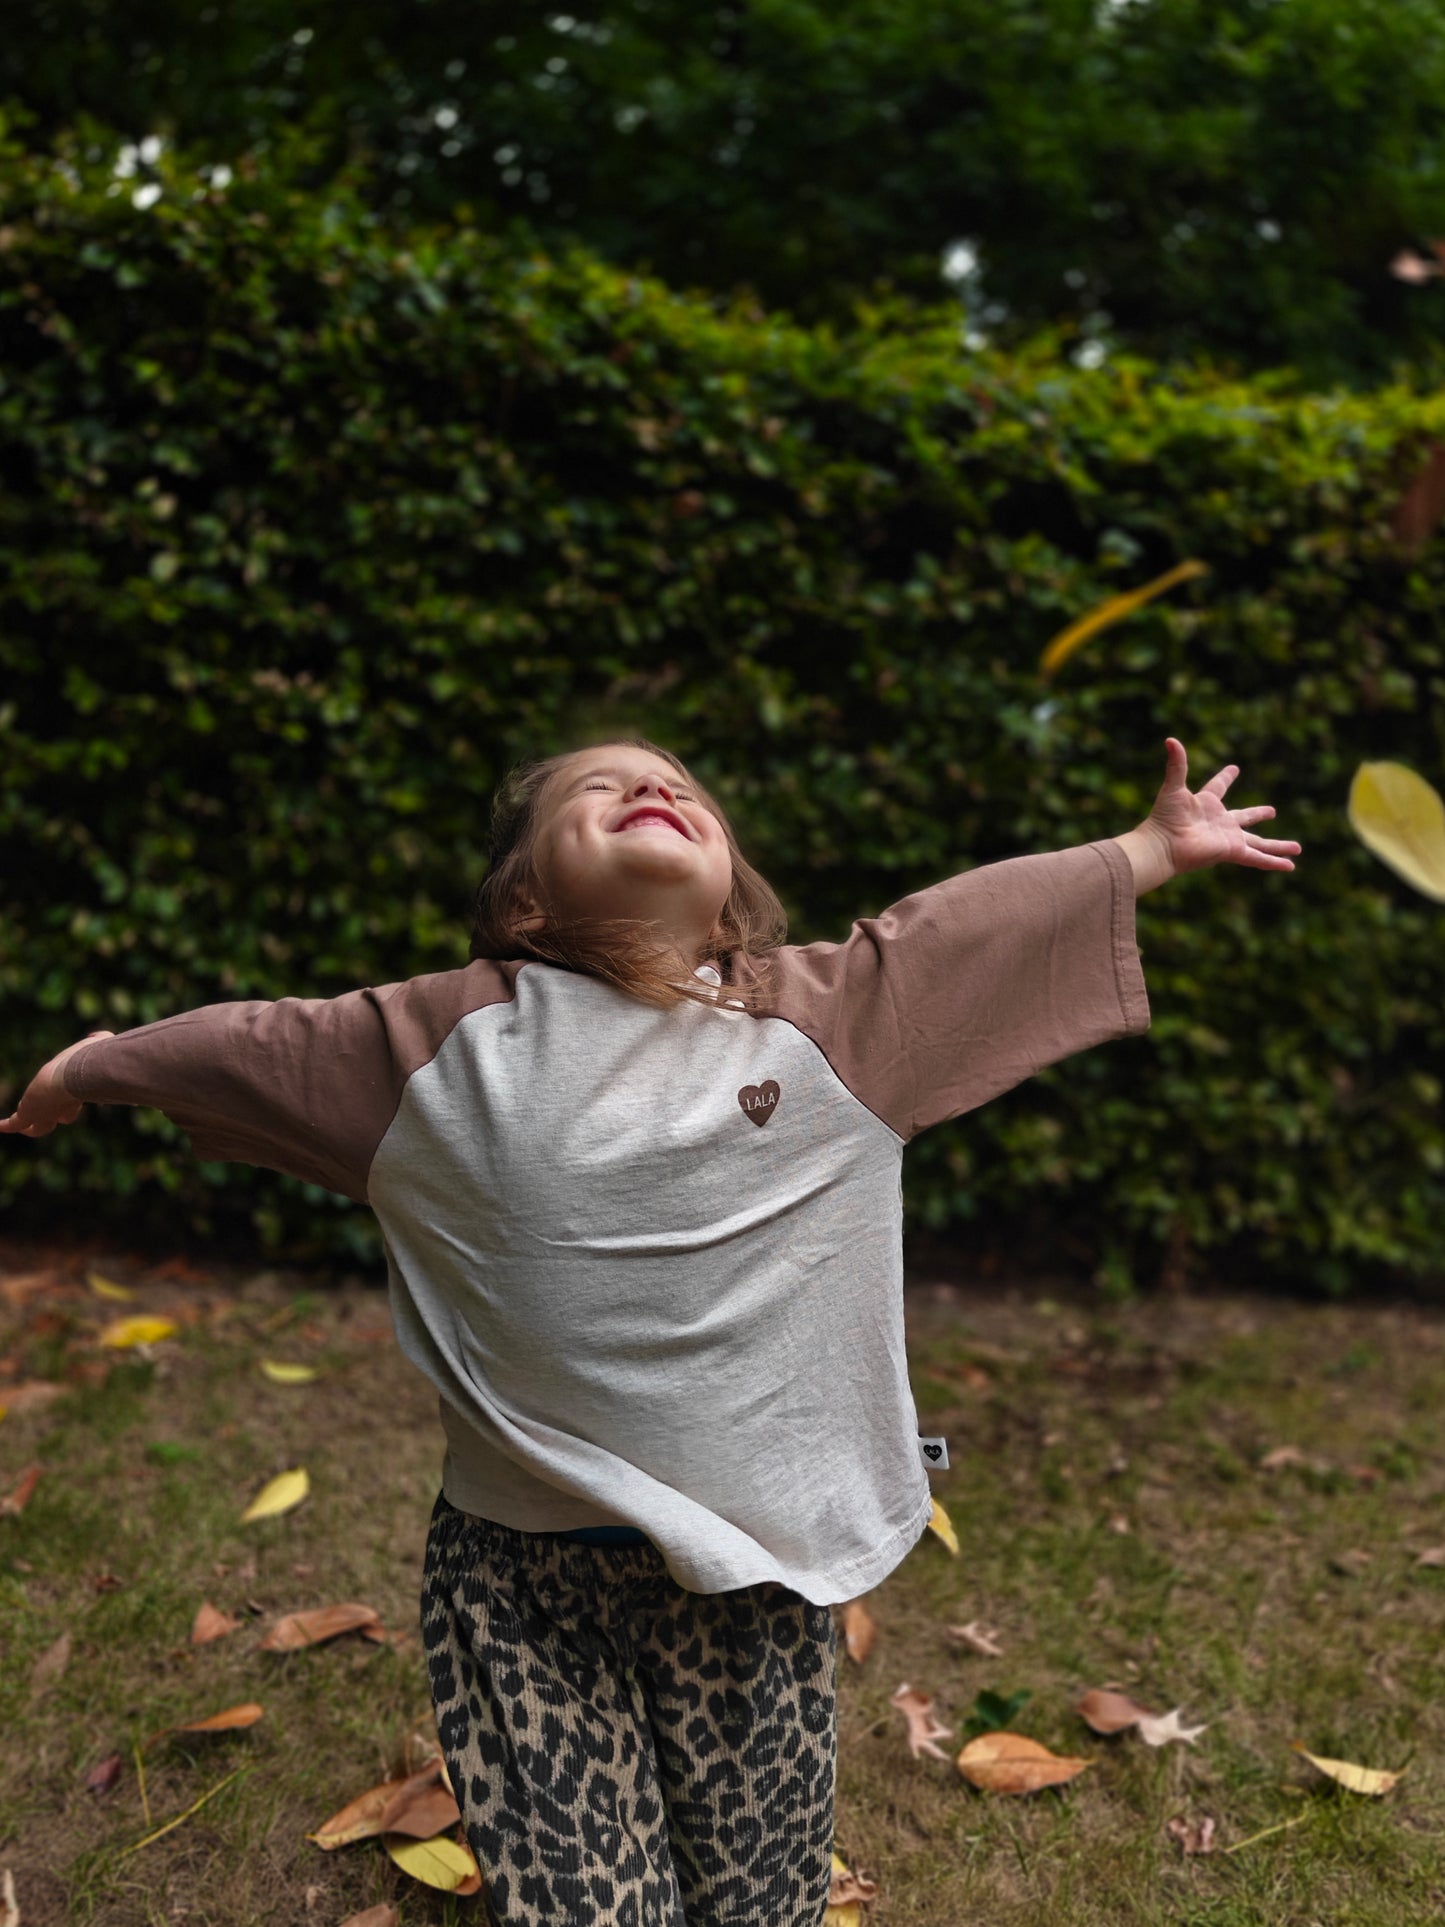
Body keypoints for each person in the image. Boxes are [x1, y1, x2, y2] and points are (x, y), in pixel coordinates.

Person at [1, 733, 1297, 1926]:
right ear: (523, 902)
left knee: (758, 1895)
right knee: (584, 1906)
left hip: (757, 1563)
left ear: (727, 894)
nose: (649, 787)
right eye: (593, 788)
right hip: (521, 1583)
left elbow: (964, 927)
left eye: (681, 784)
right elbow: (250, 1047)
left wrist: (1143, 851)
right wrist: (93, 1065)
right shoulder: (432, 1048)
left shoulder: (836, 1021)